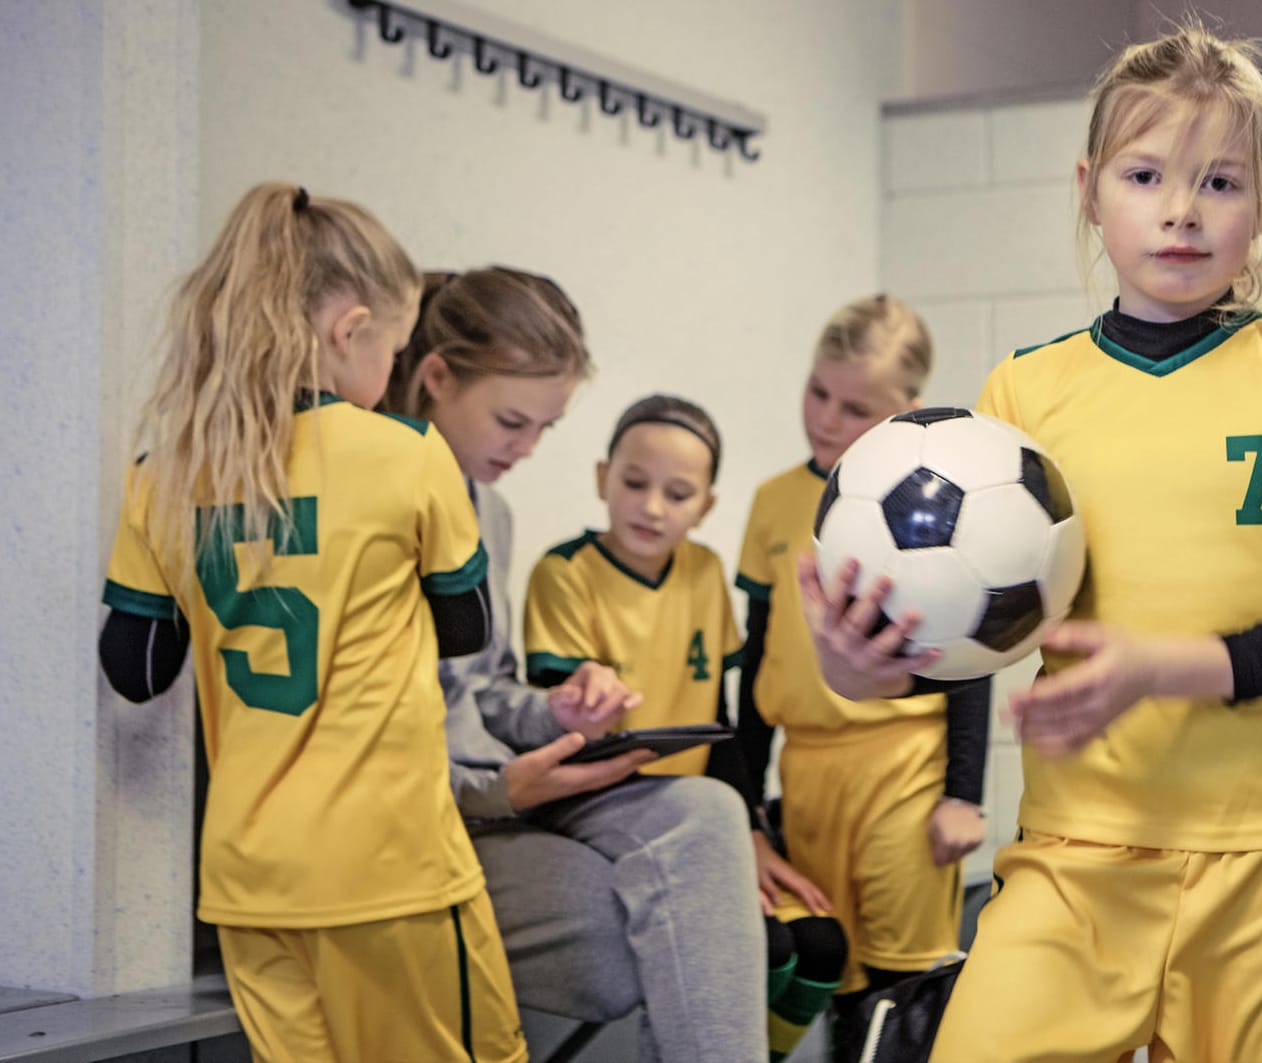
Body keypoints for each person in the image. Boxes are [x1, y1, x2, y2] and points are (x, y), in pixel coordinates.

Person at [802, 24, 1262, 1060]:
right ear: (1091, 189)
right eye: (1146, 174)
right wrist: (854, 668)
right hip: (1075, 855)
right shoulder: (1022, 395)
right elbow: (976, 638)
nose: (1181, 208)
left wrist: (1164, 667)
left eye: (1220, 181)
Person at [98, 183, 524, 1061]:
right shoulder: (408, 452)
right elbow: (467, 628)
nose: (391, 376)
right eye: (396, 350)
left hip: (249, 882)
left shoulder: (165, 472)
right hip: (390, 868)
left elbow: (136, 666)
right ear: (349, 330)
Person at [383, 267, 768, 1062]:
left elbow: (480, 688)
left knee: (706, 813)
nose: (527, 449)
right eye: (513, 421)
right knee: (619, 938)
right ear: (436, 378)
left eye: (546, 430)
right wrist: (499, 789)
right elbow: (369, 737)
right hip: (438, 813)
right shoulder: (370, 507)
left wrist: (554, 712)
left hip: (503, 788)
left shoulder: (488, 508)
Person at [521, 393, 847, 1061]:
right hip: (610, 808)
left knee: (822, 946)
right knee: (772, 951)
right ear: (600, 476)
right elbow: (554, 725)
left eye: (677, 493)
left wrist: (751, 833)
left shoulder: (701, 572)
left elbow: (718, 719)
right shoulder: (564, 573)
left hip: (708, 814)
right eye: (634, 483)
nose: (651, 506)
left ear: (705, 506)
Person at [734, 294, 993, 1056]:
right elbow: (754, 663)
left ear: (904, 411)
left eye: (853, 406)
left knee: (897, 988)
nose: (824, 416)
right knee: (830, 975)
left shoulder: (929, 507)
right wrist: (747, 804)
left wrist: (962, 795)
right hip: (810, 773)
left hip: (905, 770)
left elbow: (967, 661)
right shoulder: (772, 501)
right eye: (818, 391)